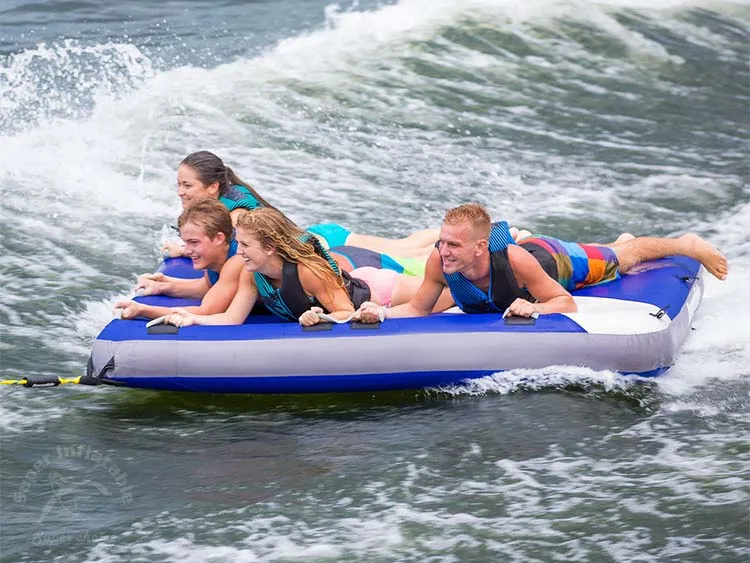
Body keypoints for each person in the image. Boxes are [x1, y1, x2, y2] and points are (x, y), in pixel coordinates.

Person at [356, 203, 729, 322]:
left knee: (622, 260)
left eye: (454, 244)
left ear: (480, 247)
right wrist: (382, 313)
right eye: (442, 242)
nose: (444, 250)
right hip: (522, 271)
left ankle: (685, 243)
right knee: (614, 251)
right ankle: (616, 244)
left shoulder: (515, 261)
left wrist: (537, 308)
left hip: (552, 260)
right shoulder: (440, 262)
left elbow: (565, 302)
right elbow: (420, 308)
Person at [160, 207, 455, 328]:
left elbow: (343, 311)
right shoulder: (253, 276)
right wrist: (190, 319)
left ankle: (476, 246)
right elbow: (232, 318)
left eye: (246, 245)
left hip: (378, 292)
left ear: (270, 248)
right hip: (356, 290)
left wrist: (321, 315)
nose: (240, 252)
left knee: (452, 293)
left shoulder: (307, 271)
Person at [162, 150, 441, 260]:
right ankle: (445, 234)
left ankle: (449, 235)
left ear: (212, 187)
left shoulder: (236, 209)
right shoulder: (213, 206)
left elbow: (225, 241)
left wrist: (184, 251)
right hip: (313, 238)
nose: (181, 193)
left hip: (325, 244)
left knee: (408, 251)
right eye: (179, 184)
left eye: (187, 186)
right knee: (406, 245)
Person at [114, 199, 246, 320]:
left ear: (219, 238)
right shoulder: (216, 256)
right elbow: (208, 286)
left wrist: (142, 309)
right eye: (185, 243)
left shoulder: (237, 260)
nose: (187, 251)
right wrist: (162, 286)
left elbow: (206, 311)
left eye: (194, 242)